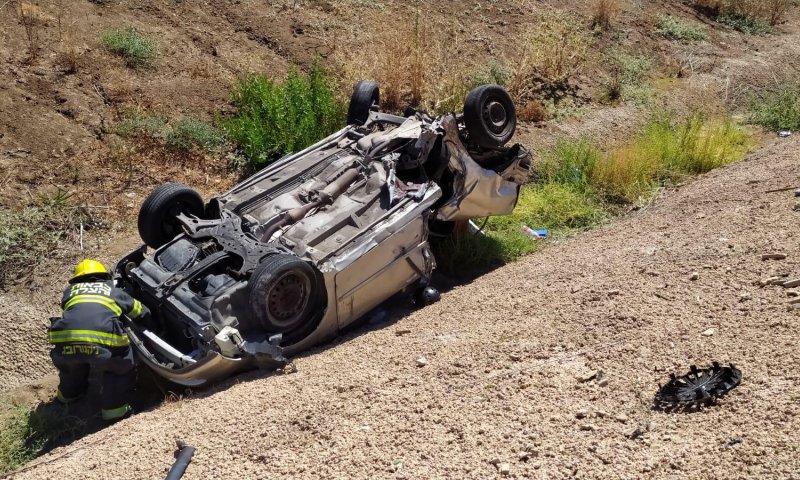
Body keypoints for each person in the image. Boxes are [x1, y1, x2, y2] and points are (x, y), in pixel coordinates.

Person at [48, 259, 150, 422]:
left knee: (72, 368)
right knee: (119, 369)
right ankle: (115, 413)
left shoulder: (69, 292)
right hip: (104, 347)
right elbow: (140, 311)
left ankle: (67, 397)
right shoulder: (112, 291)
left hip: (65, 344)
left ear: (77, 279)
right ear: (104, 276)